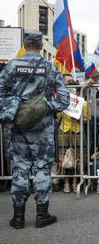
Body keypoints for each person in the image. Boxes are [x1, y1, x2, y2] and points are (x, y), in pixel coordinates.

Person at [0, 30, 70, 229]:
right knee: (42, 169)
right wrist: (44, 108)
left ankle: (18, 218)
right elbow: (64, 99)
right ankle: (42, 215)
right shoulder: (50, 67)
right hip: (43, 127)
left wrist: (12, 109)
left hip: (18, 126)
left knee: (20, 169)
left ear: (24, 44)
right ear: (40, 46)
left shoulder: (12, 66)